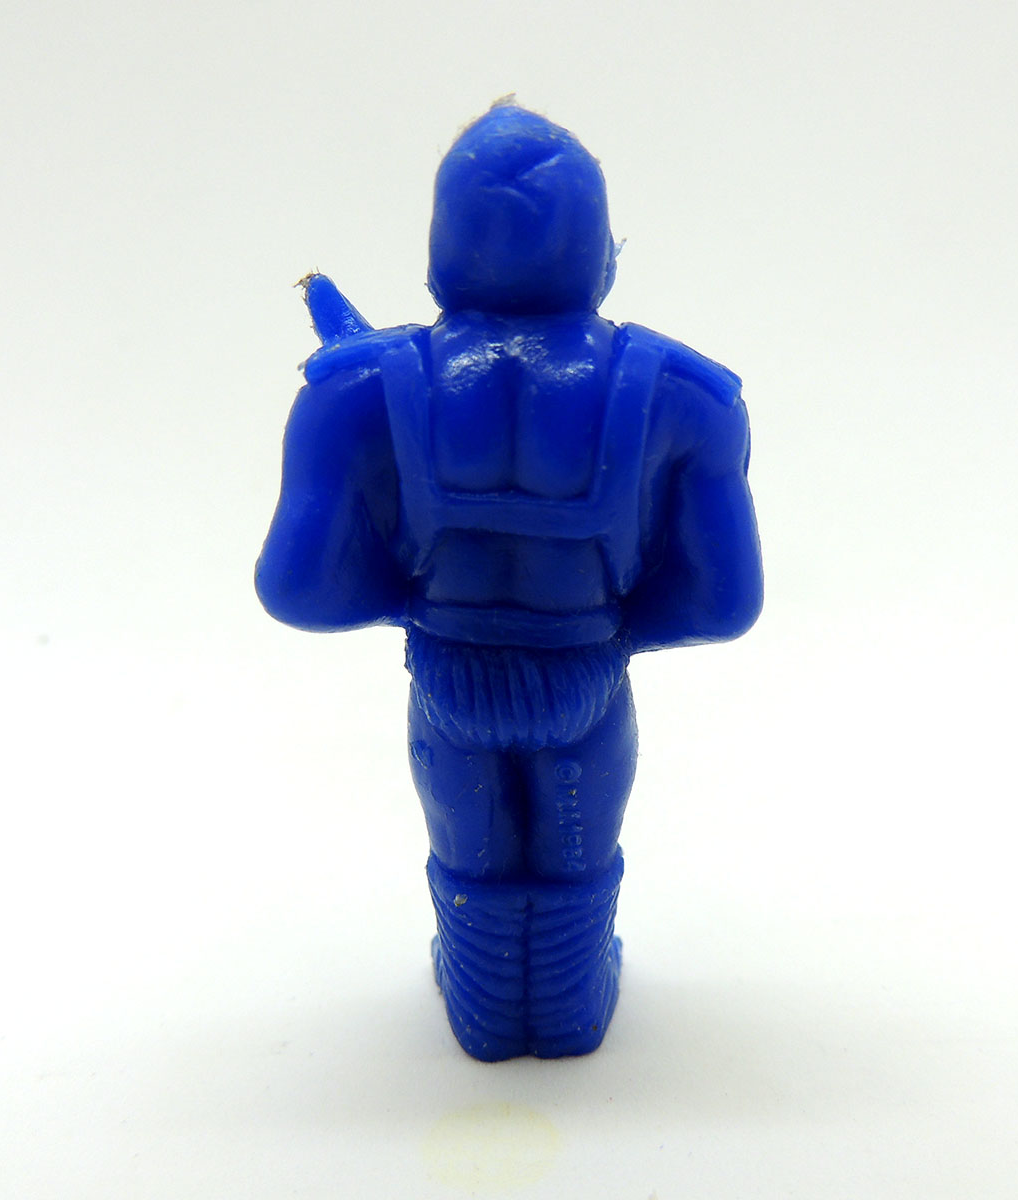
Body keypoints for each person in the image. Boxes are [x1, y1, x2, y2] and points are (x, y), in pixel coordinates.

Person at [256, 103, 763, 1060]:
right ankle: (570, 1012)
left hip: (450, 679)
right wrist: (611, 629)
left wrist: (408, 584)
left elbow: (297, 588)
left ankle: (484, 1016)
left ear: (439, 260)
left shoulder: (353, 393)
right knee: (577, 858)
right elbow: (725, 601)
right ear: (602, 257)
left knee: (472, 856)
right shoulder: (688, 397)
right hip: (587, 676)